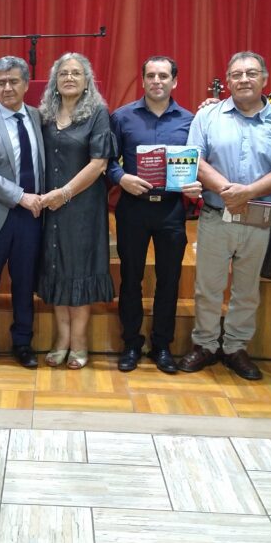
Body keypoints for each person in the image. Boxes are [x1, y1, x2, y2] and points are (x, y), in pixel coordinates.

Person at [181, 52, 271, 381]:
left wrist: (246, 193)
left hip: (259, 219)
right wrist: (227, 191)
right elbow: (196, 159)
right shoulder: (208, 116)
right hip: (215, 215)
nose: (244, 79)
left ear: (264, 78)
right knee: (208, 287)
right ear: (228, 80)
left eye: (251, 73)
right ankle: (205, 344)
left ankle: (235, 347)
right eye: (237, 74)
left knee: (247, 290)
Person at [108, 56, 202, 375]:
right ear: (144, 80)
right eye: (151, 75)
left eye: (163, 76)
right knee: (130, 278)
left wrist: (195, 184)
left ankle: (162, 345)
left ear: (175, 81)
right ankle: (131, 344)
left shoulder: (190, 121)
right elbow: (107, 160)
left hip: (171, 209)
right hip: (133, 208)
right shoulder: (122, 117)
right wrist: (121, 177)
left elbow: (200, 161)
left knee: (169, 280)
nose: (157, 81)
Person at [36, 52, 116, 370]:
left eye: (76, 73)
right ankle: (61, 339)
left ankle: (79, 343)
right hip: (50, 207)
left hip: (82, 207)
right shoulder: (44, 114)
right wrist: (52, 198)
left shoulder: (97, 113)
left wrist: (65, 193)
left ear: (87, 81)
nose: (69, 77)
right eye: (63, 73)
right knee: (56, 269)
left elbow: (99, 164)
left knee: (79, 272)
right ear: (55, 81)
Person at [0, 55, 45, 369]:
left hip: (32, 218)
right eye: (1, 82)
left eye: (14, 81)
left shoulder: (39, 117)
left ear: (26, 84)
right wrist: (21, 197)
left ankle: (23, 342)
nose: (7, 88)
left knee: (25, 283)